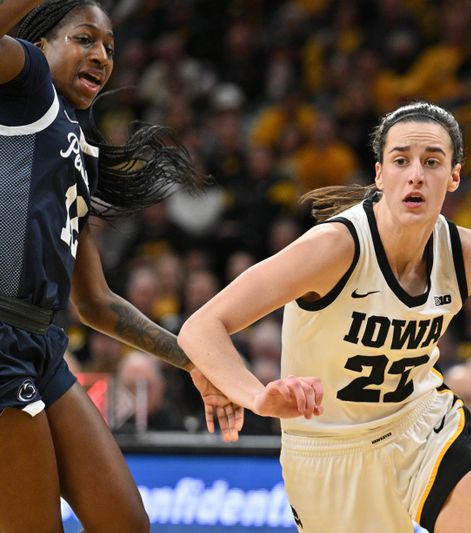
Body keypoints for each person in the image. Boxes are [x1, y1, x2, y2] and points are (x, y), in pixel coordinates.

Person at [179, 101, 471, 533]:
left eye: (432, 162)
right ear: (380, 174)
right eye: (401, 160)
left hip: (421, 427)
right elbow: (201, 327)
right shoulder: (335, 248)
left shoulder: (470, 254)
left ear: (454, 176)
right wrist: (256, 397)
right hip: (329, 451)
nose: (416, 174)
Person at [0, 2, 242, 531]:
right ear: (39, 45)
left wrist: (193, 362)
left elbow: (96, 304)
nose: (101, 55)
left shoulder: (80, 140)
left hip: (44, 347)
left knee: (126, 522)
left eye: (110, 46)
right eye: (85, 39)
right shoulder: (27, 87)